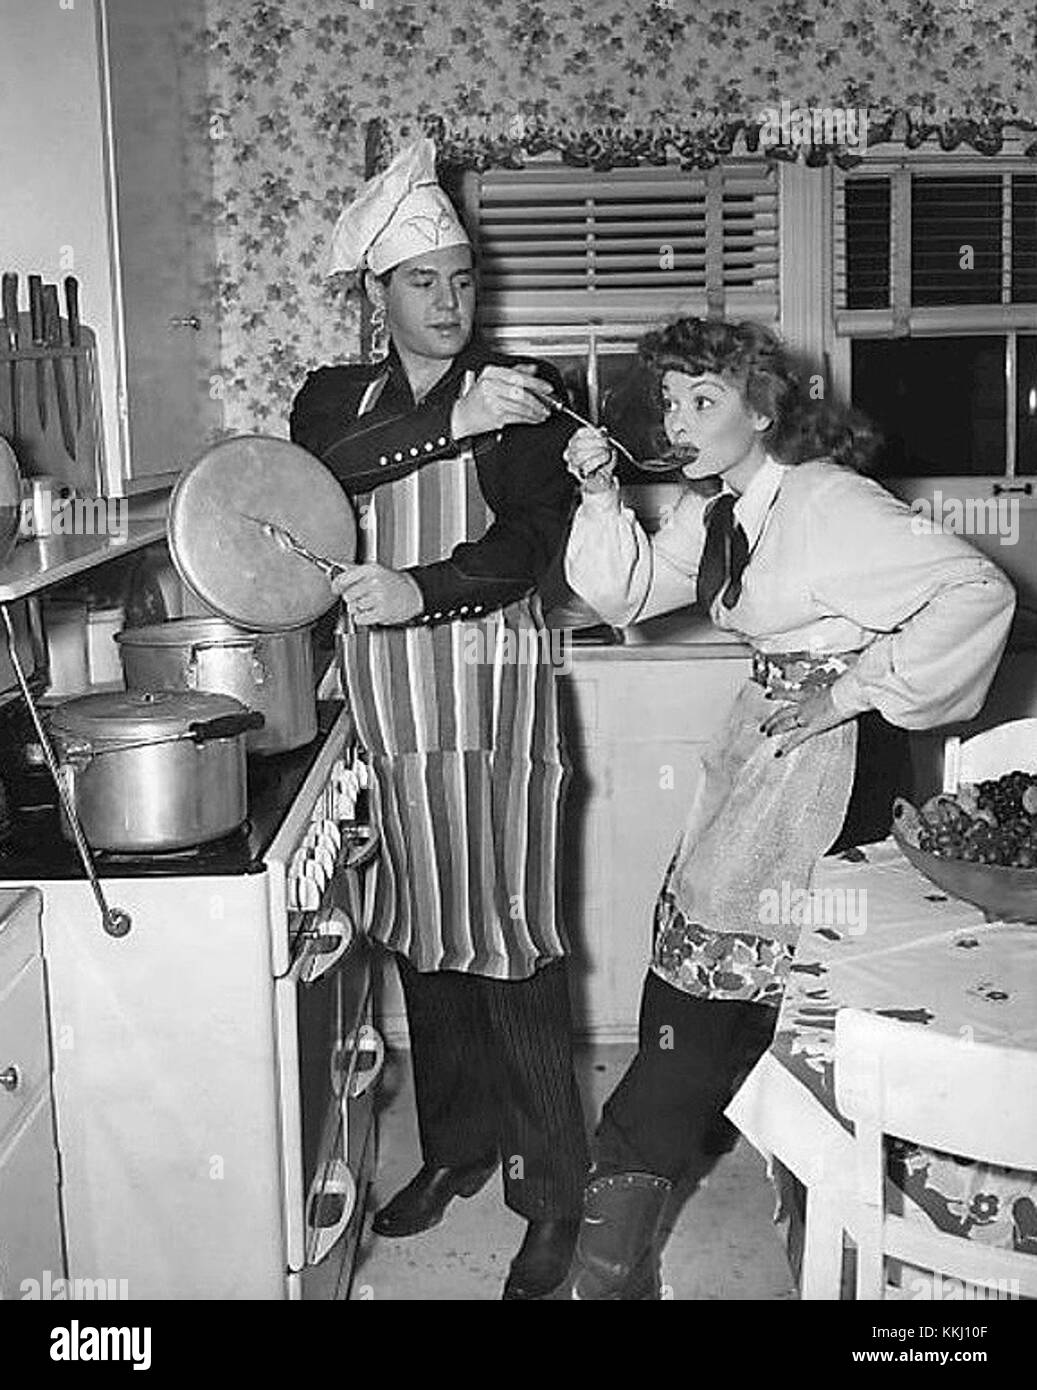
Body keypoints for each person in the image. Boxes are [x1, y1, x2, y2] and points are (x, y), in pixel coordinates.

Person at [561, 316, 1016, 1299]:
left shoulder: (825, 502)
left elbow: (974, 588)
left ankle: (822, 1252)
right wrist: (599, 494)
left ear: (763, 409)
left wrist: (851, 688)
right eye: (669, 401)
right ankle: (645, 1251)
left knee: (793, 1004)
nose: (676, 421)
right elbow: (624, 592)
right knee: (707, 987)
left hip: (833, 767)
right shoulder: (723, 506)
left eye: (702, 400)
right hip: (763, 751)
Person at [289, 138, 588, 1300]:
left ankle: (553, 1190)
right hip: (382, 707)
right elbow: (312, 484)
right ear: (379, 294)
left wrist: (422, 587)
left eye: (463, 280)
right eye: (425, 283)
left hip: (490, 697)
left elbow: (529, 540)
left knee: (508, 939)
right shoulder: (332, 398)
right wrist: (441, 419)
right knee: (420, 935)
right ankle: (458, 1149)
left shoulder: (523, 390)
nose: (452, 302)